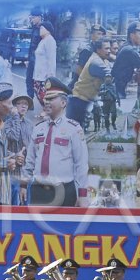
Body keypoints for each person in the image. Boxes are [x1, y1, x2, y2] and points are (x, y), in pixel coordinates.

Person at [21, 78, 89, 207]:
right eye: (46, 99)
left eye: (51, 99)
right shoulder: (38, 128)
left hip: (64, 191)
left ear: (63, 102)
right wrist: (24, 185)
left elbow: (81, 164)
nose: (46, 102)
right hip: (38, 191)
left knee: (64, 227)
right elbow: (29, 161)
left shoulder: (73, 129)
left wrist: (82, 194)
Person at [31, 22, 57, 103]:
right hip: (38, 74)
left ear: (48, 30)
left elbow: (51, 59)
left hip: (45, 76)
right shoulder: (43, 41)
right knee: (39, 94)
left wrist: (50, 75)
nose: (40, 30)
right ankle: (45, 110)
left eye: (42, 28)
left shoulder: (50, 40)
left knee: (45, 96)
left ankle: (48, 112)